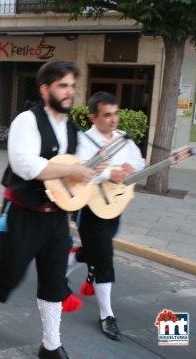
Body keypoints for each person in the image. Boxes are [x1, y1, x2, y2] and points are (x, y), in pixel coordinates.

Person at [0, 60, 103, 359]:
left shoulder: (72, 128)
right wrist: (73, 170)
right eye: (63, 86)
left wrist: (105, 170)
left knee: (54, 280)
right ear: (46, 89)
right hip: (21, 215)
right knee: (10, 276)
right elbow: (26, 165)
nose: (70, 92)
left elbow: (85, 163)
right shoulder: (26, 122)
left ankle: (51, 345)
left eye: (72, 86)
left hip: (56, 218)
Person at [65, 92, 145, 341]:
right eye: (107, 114)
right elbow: (78, 170)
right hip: (90, 206)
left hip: (114, 205)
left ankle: (59, 270)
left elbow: (140, 162)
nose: (113, 119)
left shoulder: (123, 140)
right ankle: (106, 315)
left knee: (94, 251)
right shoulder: (83, 140)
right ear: (93, 117)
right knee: (104, 258)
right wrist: (108, 174)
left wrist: (132, 168)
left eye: (116, 113)